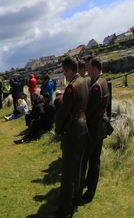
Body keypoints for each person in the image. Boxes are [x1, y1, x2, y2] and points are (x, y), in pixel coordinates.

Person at [53, 57, 88, 218]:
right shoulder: (83, 81)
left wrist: (59, 129)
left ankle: (64, 212)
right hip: (83, 125)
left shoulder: (72, 87)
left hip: (73, 129)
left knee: (68, 174)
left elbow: (63, 113)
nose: (64, 75)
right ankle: (75, 201)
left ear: (68, 70)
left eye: (64, 72)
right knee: (79, 169)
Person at [80, 57, 111, 204]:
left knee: (87, 158)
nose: (88, 71)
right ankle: (90, 190)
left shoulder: (97, 85)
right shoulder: (104, 81)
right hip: (101, 125)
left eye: (89, 69)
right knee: (95, 160)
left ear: (95, 69)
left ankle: (83, 191)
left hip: (95, 127)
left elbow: (91, 109)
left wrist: (85, 119)